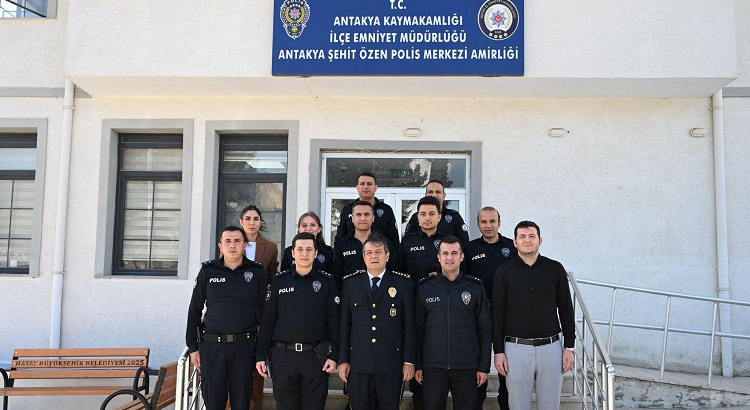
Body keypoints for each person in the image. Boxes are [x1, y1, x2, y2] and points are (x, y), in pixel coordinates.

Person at [492, 221, 576, 410]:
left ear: (540, 240)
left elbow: (566, 309)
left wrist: (569, 347)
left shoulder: (555, 269)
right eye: (522, 236)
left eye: (532, 236)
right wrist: (498, 351)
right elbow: (497, 314)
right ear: (515, 242)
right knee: (518, 406)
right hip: (516, 350)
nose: (527, 240)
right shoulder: (504, 272)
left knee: (550, 406)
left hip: (551, 349)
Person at [185, 226, 268, 410]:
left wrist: (261, 351)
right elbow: (195, 310)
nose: (232, 245)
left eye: (237, 241)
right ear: (220, 246)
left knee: (242, 403)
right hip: (213, 347)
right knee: (214, 403)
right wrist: (193, 347)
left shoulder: (257, 272)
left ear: (245, 245)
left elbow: (266, 315)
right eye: (228, 241)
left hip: (244, 347)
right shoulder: (208, 271)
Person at [256, 232, 339, 410]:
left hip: (315, 357)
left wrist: (334, 355)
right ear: (293, 253)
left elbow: (334, 322)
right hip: (283, 357)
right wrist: (261, 354)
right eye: (300, 249)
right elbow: (268, 321)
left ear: (316, 253)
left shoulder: (326, 282)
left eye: (309, 249)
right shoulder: (279, 281)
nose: (304, 253)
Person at [338, 233, 416, 410]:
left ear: (387, 256)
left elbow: (409, 325)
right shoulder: (350, 284)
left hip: (390, 363)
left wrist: (409, 361)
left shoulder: (402, 284)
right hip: (359, 363)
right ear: (363, 257)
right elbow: (345, 325)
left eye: (378, 252)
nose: (374, 256)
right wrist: (343, 360)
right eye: (369, 252)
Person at [415, 236, 491, 410]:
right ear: (438, 257)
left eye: (454, 253)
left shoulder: (475, 287)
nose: (450, 257)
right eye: (445, 253)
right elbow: (418, 330)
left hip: (467, 365)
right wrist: (418, 364)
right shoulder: (425, 288)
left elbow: (484, 329)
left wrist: (483, 366)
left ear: (462, 257)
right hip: (433, 366)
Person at [462, 207, 517, 410]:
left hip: (507, 313)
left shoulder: (512, 247)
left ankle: (506, 404)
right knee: (478, 362)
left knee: (507, 364)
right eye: (484, 221)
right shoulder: (469, 248)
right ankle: (477, 402)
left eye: (492, 221)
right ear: (478, 224)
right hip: (477, 313)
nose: (488, 225)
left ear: (499, 223)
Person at [239, 204, 279, 410]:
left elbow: (272, 278)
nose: (252, 223)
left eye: (255, 219)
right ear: (241, 222)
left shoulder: (270, 247)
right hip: (235, 313)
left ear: (260, 222)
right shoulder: (233, 243)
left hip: (259, 314)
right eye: (248, 219)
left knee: (256, 369)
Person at [332, 201, 397, 289]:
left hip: (380, 293)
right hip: (350, 293)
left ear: (373, 218)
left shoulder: (384, 242)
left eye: (366, 214)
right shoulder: (342, 244)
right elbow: (337, 276)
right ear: (352, 218)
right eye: (358, 214)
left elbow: (393, 271)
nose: (363, 218)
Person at [334, 172, 400, 254]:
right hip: (352, 256)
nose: (366, 187)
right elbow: (340, 237)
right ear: (357, 187)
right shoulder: (347, 210)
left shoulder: (386, 210)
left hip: (378, 256)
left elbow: (394, 239)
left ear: (376, 187)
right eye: (362, 184)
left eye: (369, 184)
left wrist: (393, 258)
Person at [404, 180, 470, 243]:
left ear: (444, 196)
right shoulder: (416, 217)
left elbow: (464, 243)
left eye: (438, 192)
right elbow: (408, 242)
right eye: (430, 192)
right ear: (426, 195)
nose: (434, 195)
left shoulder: (454, 216)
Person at [398, 196, 444, 286]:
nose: (427, 218)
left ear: (439, 217)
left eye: (431, 214)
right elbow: (400, 270)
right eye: (423, 214)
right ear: (418, 217)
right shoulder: (407, 241)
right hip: (413, 291)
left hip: (441, 290)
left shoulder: (447, 242)